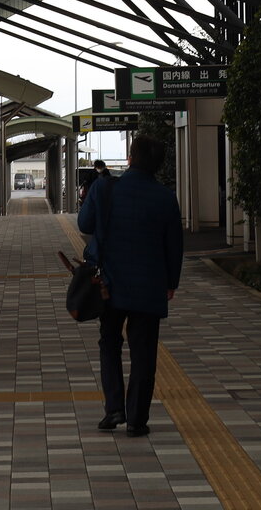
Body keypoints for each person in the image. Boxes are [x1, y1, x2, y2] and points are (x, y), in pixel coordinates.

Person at [77, 136, 182, 437]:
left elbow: (84, 225)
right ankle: (137, 419)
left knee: (109, 343)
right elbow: (174, 245)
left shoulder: (105, 188)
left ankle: (114, 409)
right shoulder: (165, 197)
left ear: (131, 158)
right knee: (144, 351)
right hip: (150, 286)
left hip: (109, 283)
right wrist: (171, 283)